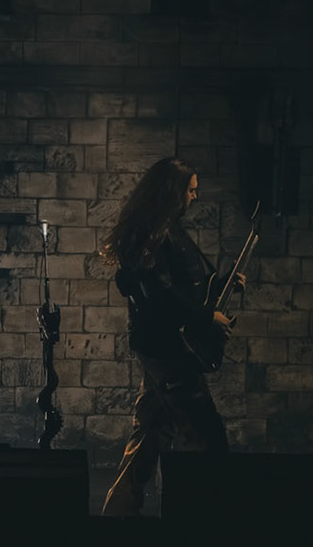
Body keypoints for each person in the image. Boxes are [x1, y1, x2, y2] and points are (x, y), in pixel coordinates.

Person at [99, 157, 241, 516]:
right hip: (166, 349)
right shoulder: (151, 233)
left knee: (151, 433)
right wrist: (207, 316)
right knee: (206, 435)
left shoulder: (164, 229)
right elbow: (159, 294)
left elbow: (182, 285)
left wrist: (222, 285)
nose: (195, 197)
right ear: (173, 192)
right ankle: (204, 521)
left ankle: (117, 515)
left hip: (163, 346)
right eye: (190, 190)